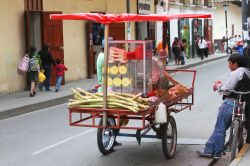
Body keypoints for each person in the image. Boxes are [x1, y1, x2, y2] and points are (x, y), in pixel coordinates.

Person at [196, 53, 250, 159]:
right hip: (244, 105)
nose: (229, 66)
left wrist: (218, 86)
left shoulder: (236, 73)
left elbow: (228, 90)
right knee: (220, 128)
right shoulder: (248, 72)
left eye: (230, 63)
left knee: (220, 127)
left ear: (235, 64)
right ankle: (210, 149)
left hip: (231, 103)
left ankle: (215, 151)